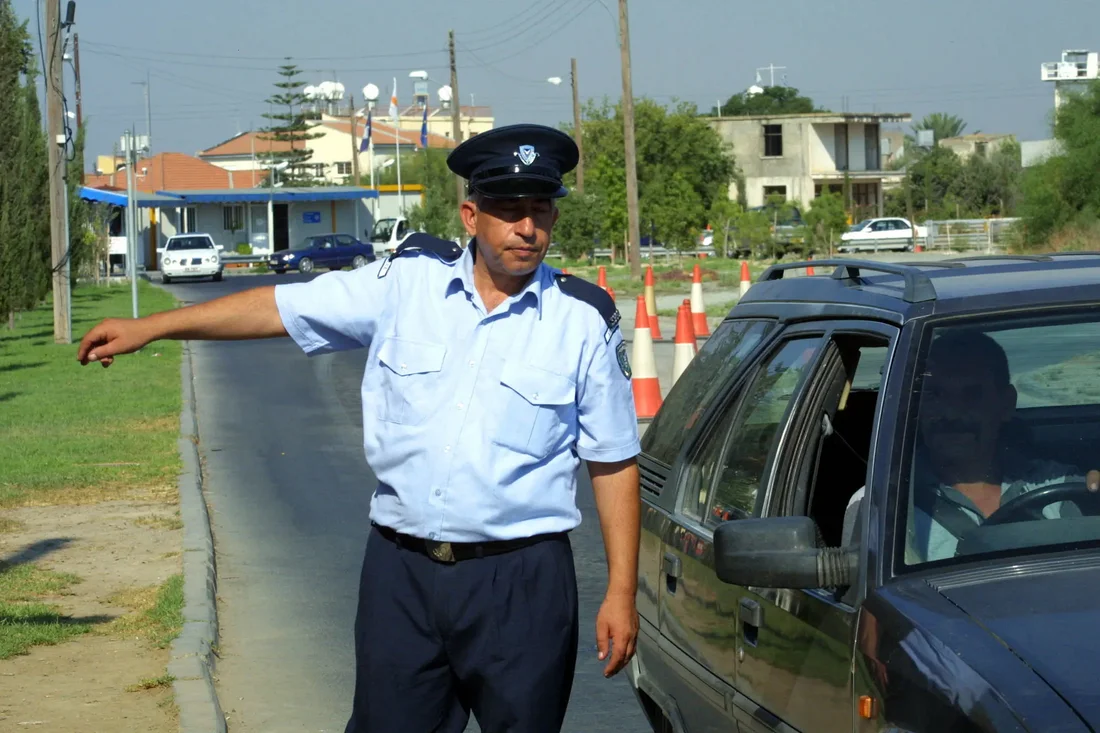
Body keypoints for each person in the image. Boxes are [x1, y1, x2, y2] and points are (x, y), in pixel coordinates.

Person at [77, 124, 642, 733]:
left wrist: (620, 591)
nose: (527, 228)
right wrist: (155, 327)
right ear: (471, 215)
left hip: (522, 582)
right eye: (509, 211)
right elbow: (280, 307)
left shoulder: (583, 320)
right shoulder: (405, 284)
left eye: (540, 210)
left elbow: (613, 460)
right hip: (402, 576)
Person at [842, 329, 1098, 561]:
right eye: (934, 395)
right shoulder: (882, 504)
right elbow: (870, 607)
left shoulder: (1062, 488)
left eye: (972, 396)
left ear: (1006, 404)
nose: (951, 413)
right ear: (916, 406)